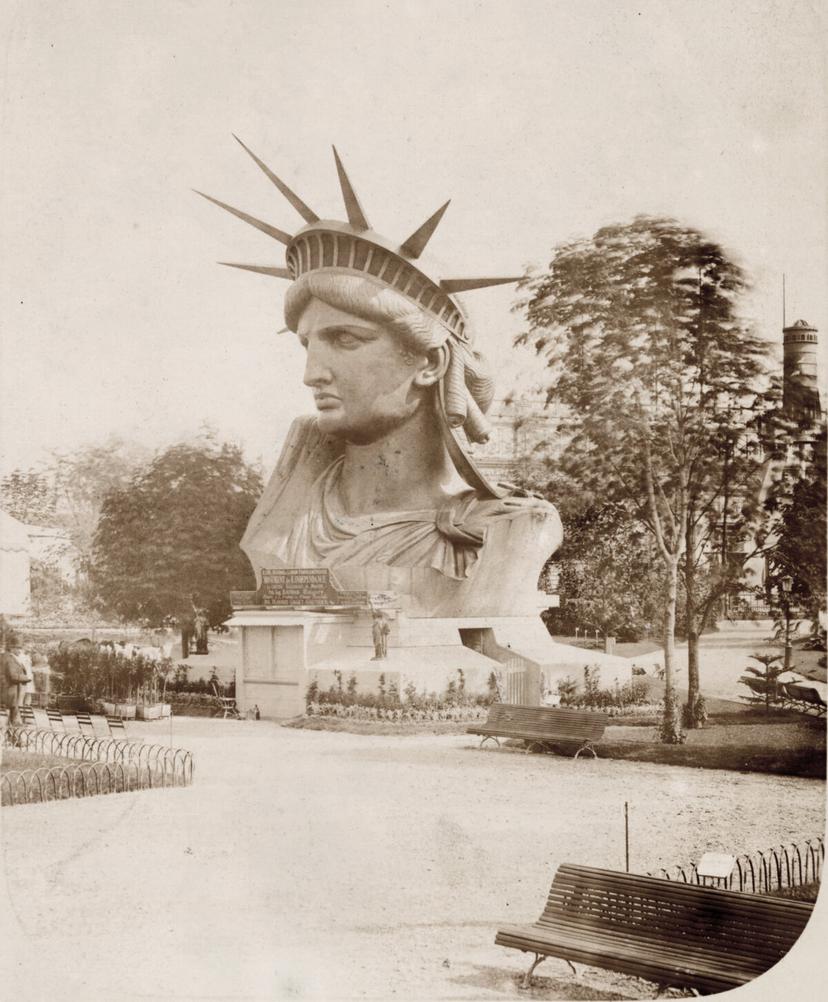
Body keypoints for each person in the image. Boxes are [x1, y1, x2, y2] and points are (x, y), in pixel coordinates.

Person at [201, 143, 562, 618]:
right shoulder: (286, 517)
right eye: (307, 345)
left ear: (429, 363)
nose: (311, 374)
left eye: (345, 339)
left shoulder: (510, 529)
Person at [1, 643, 32, 725]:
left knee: (12, 711)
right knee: (12, 712)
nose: (20, 651)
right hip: (11, 689)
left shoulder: (11, 658)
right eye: (18, 648)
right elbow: (13, 676)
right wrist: (27, 678)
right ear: (12, 648)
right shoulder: (10, 659)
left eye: (20, 648)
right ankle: (12, 729)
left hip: (12, 689)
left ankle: (12, 729)